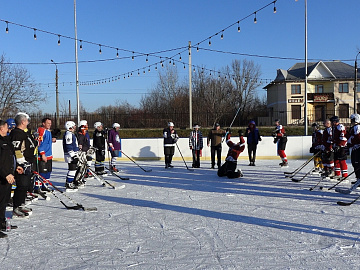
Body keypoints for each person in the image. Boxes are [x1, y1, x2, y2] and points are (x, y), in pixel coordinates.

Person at [10, 112, 37, 217]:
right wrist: (22, 162)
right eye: (27, 120)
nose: (28, 122)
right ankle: (16, 207)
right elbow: (16, 149)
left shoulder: (24, 132)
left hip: (28, 162)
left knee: (25, 185)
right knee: (22, 185)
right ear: (22, 121)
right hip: (22, 165)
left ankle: (21, 203)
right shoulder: (17, 133)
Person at [0, 120, 23, 237]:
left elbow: (10, 158)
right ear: (1, 128)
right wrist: (5, 174)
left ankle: (2, 223)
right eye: (6, 127)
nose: (8, 129)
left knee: (4, 202)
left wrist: (16, 168)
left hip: (8, 177)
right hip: (2, 177)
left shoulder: (6, 140)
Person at [35, 117, 54, 194]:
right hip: (42, 156)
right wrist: (42, 154)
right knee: (42, 172)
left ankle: (45, 186)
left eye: (50, 123)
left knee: (48, 172)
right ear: (43, 123)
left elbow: (46, 142)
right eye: (48, 123)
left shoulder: (48, 131)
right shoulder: (41, 130)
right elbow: (39, 143)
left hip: (49, 155)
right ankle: (37, 187)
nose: (50, 124)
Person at [63, 121, 79, 191]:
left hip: (72, 154)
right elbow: (69, 146)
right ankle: (69, 183)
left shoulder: (70, 134)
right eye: (74, 126)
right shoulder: (68, 134)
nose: (75, 127)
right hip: (70, 155)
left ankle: (68, 182)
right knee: (72, 169)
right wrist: (73, 155)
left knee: (73, 169)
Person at [346, 114, 360, 190]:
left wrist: (352, 141)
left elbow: (357, 137)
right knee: (354, 163)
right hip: (355, 148)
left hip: (358, 148)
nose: (351, 121)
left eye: (352, 120)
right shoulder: (353, 127)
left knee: (357, 163)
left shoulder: (357, 127)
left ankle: (359, 179)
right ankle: (358, 179)